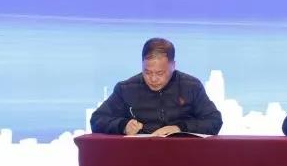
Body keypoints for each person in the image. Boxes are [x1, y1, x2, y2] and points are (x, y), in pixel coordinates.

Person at [90, 38, 223, 136]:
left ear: (173, 66)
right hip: (139, 156)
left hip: (183, 155)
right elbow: (97, 120)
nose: (153, 79)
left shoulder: (191, 86)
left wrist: (180, 128)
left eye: (160, 73)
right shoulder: (126, 88)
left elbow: (214, 121)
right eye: (147, 72)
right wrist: (123, 126)